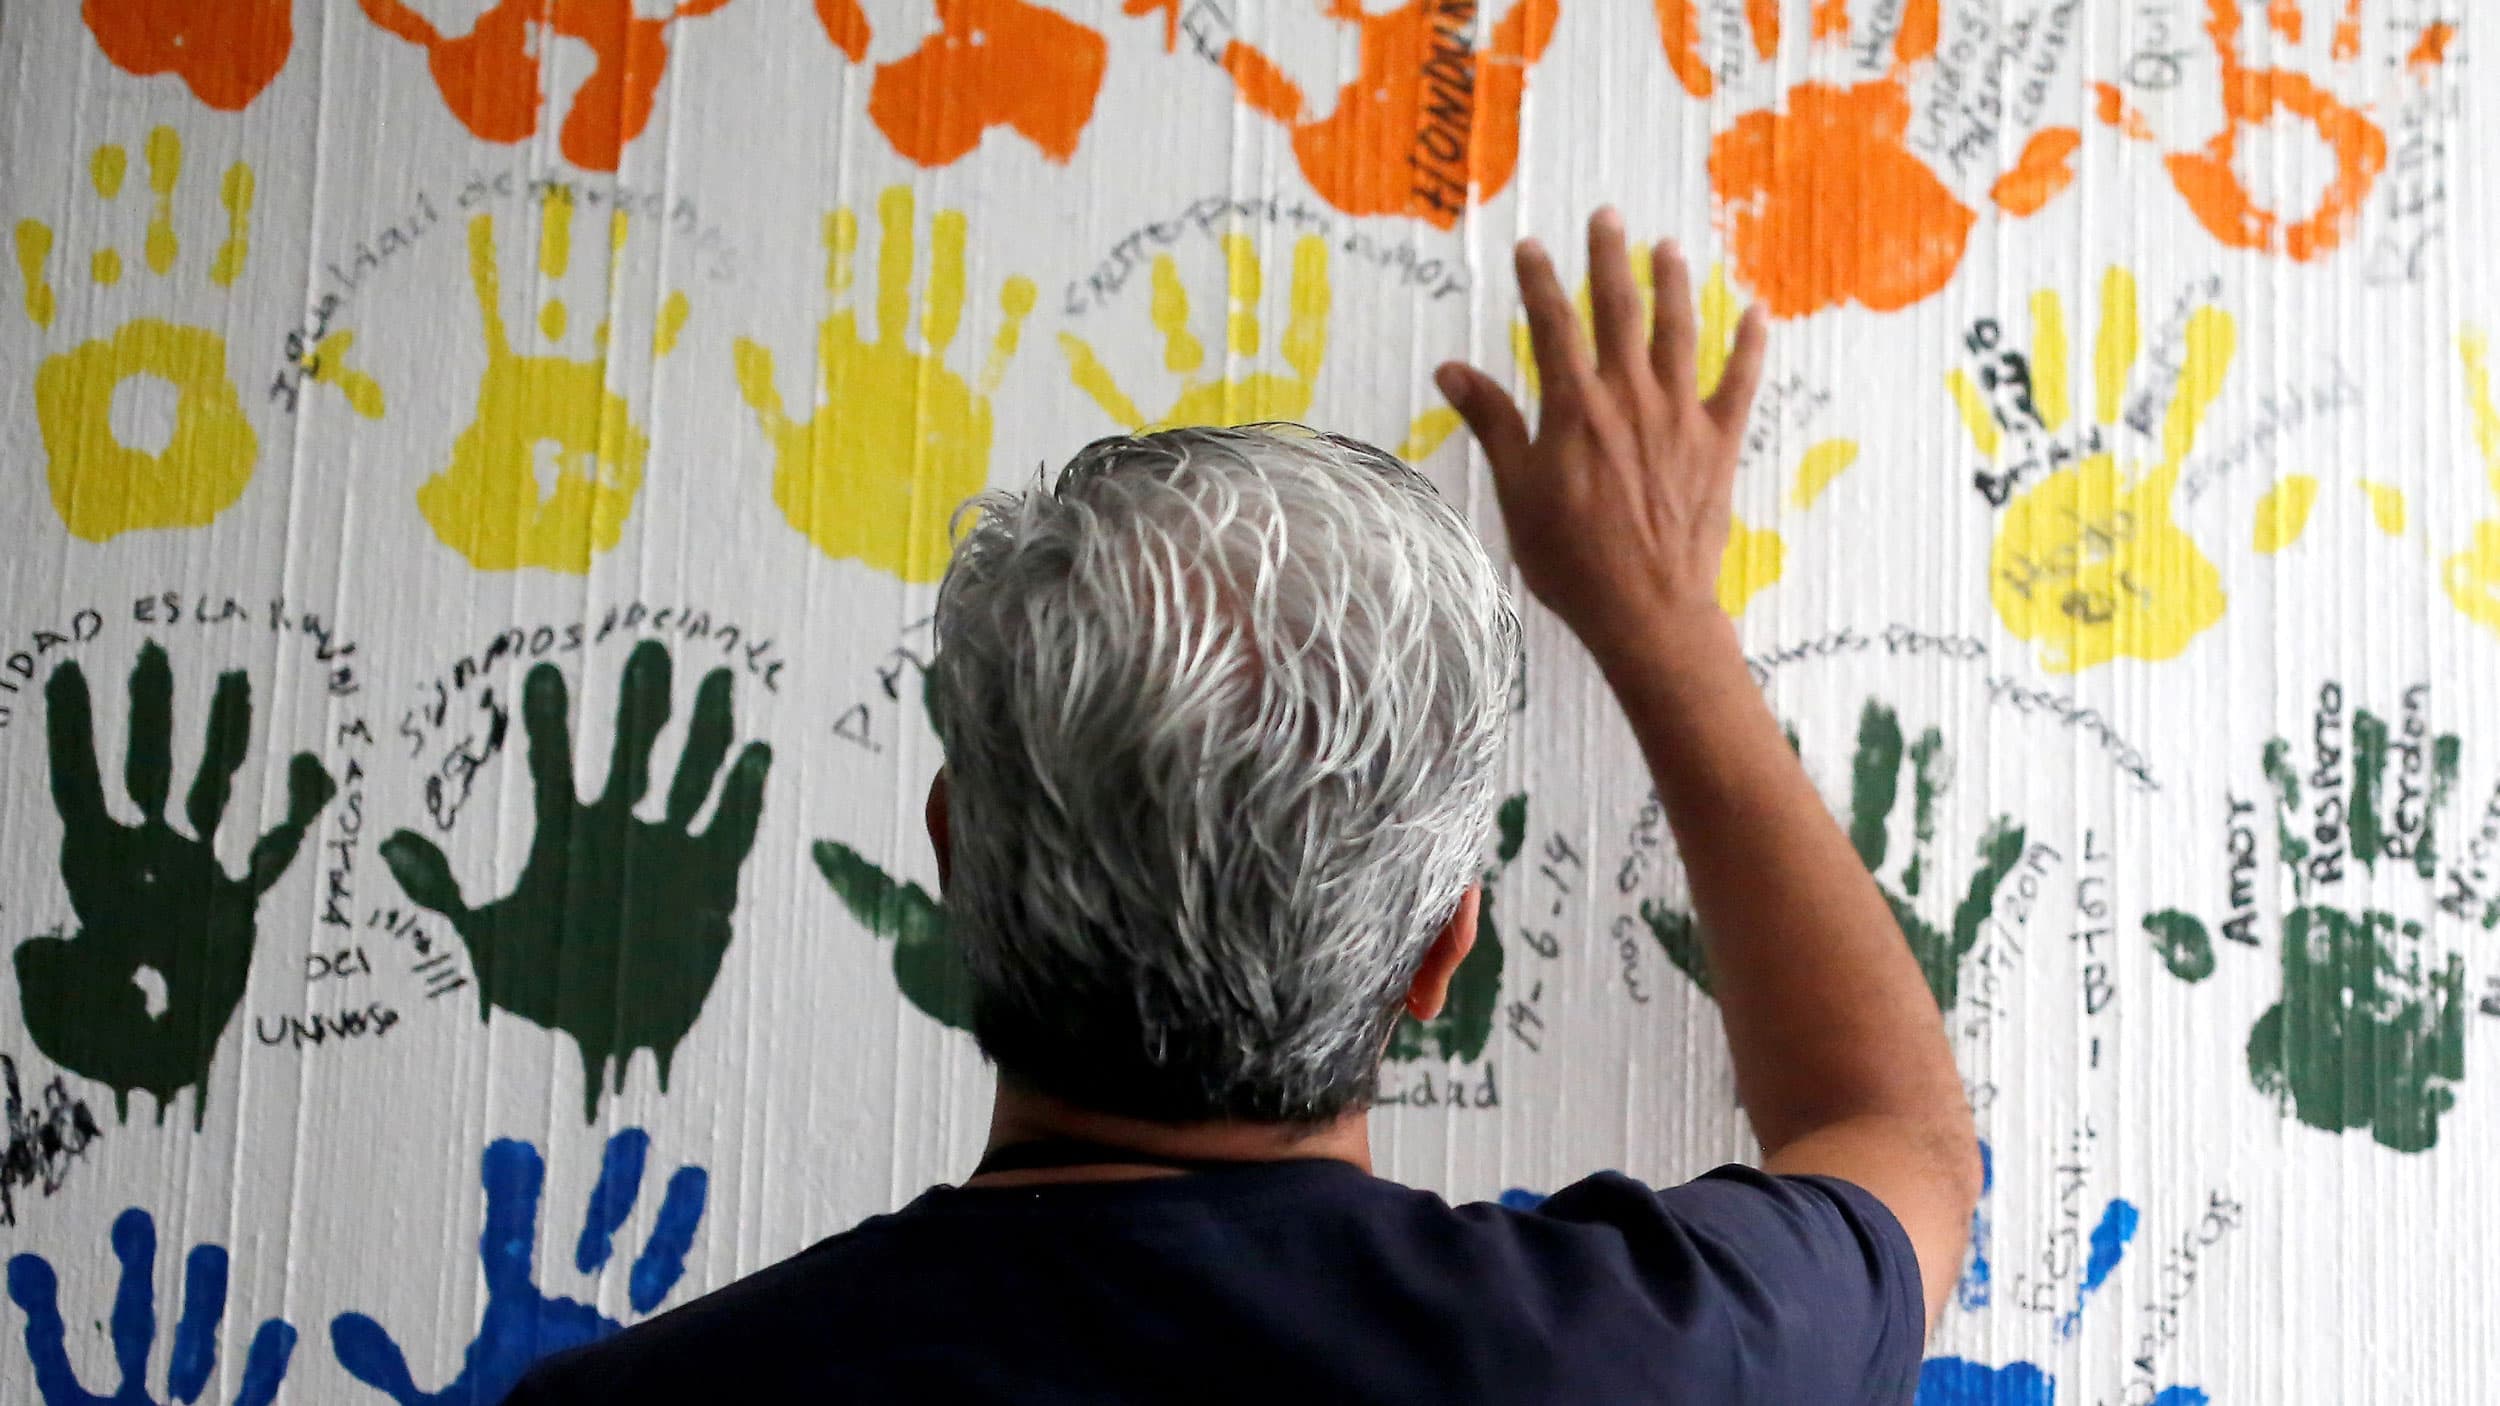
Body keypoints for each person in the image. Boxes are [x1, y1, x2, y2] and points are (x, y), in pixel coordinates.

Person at [510, 209, 1981, 1403]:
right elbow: (1896, 1133)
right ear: (1439, 949)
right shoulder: (1640, 1357)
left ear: (958, 856)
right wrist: (1661, 619)